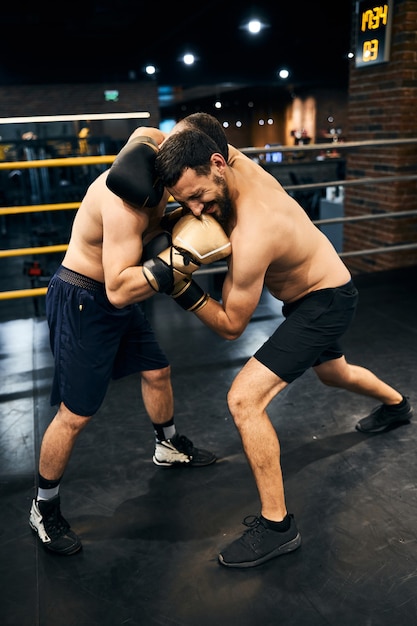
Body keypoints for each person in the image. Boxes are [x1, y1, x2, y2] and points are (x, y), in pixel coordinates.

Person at [153, 118, 414, 569]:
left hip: (325, 302)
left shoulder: (255, 229)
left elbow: (233, 324)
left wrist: (180, 287)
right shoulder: (230, 160)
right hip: (321, 292)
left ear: (216, 163)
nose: (194, 210)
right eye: (185, 201)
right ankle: (398, 405)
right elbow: (194, 126)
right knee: (335, 373)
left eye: (198, 196)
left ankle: (278, 527)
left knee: (244, 399)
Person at [29, 120, 231, 556]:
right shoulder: (127, 199)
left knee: (157, 371)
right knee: (75, 414)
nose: (195, 206)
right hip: (86, 298)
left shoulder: (161, 155)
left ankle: (167, 445)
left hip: (115, 299)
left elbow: (148, 128)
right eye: (190, 198)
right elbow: (119, 288)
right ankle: (43, 507)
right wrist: (181, 260)